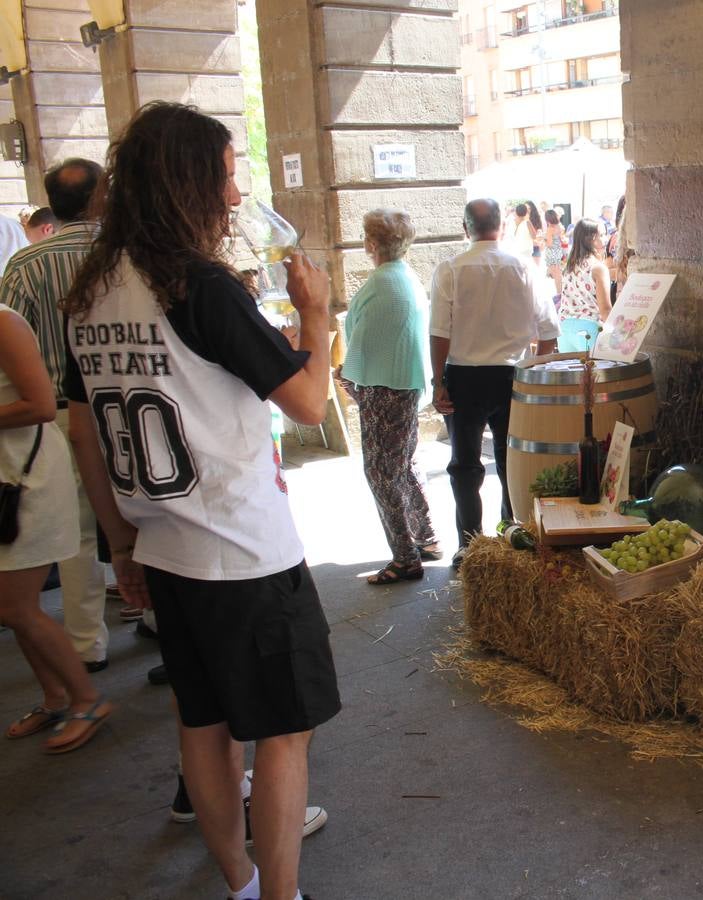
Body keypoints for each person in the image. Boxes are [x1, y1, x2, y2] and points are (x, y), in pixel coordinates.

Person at [61, 101, 339, 900]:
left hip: (164, 548)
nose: (231, 196)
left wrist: (120, 548)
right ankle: (282, 895)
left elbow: (86, 435)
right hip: (245, 548)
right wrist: (315, 314)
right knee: (285, 732)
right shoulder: (200, 286)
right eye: (224, 177)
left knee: (203, 726)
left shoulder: (92, 295)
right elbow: (311, 403)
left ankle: (242, 885)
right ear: (187, 184)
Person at [0, 159, 120, 673]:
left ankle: (86, 644)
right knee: (146, 516)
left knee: (79, 536)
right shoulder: (125, 254)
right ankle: (159, 616)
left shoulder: (25, 266)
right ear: (99, 198)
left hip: (56, 416)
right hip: (127, 409)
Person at [0, 301, 111, 753]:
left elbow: (42, 404)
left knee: (15, 606)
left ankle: (86, 698)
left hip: (25, 483)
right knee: (10, 605)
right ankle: (56, 696)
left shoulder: (4, 322)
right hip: (8, 478)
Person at [429, 198, 560, 569]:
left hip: (464, 375)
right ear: (501, 227)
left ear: (465, 227)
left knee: (464, 465)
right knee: (511, 460)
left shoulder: (450, 270)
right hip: (511, 375)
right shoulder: (523, 267)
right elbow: (549, 330)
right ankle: (510, 532)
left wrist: (438, 381)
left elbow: (439, 332)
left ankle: (469, 544)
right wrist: (534, 369)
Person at [336, 208, 440, 585]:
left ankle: (405, 557)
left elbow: (365, 341)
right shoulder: (405, 276)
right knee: (405, 463)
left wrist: (346, 376)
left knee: (381, 472)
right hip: (405, 383)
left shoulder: (382, 284)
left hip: (384, 387)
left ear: (372, 243)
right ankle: (426, 537)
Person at [558, 217, 612, 331]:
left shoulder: (569, 266)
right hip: (589, 328)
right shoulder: (598, 268)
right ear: (589, 240)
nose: (606, 239)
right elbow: (605, 311)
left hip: (564, 328)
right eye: (601, 235)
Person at [542, 208, 567, 295]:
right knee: (558, 273)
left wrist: (544, 238)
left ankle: (559, 293)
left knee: (557, 275)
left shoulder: (550, 228)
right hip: (559, 251)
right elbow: (562, 239)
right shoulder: (559, 226)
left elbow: (549, 244)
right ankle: (561, 291)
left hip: (552, 252)